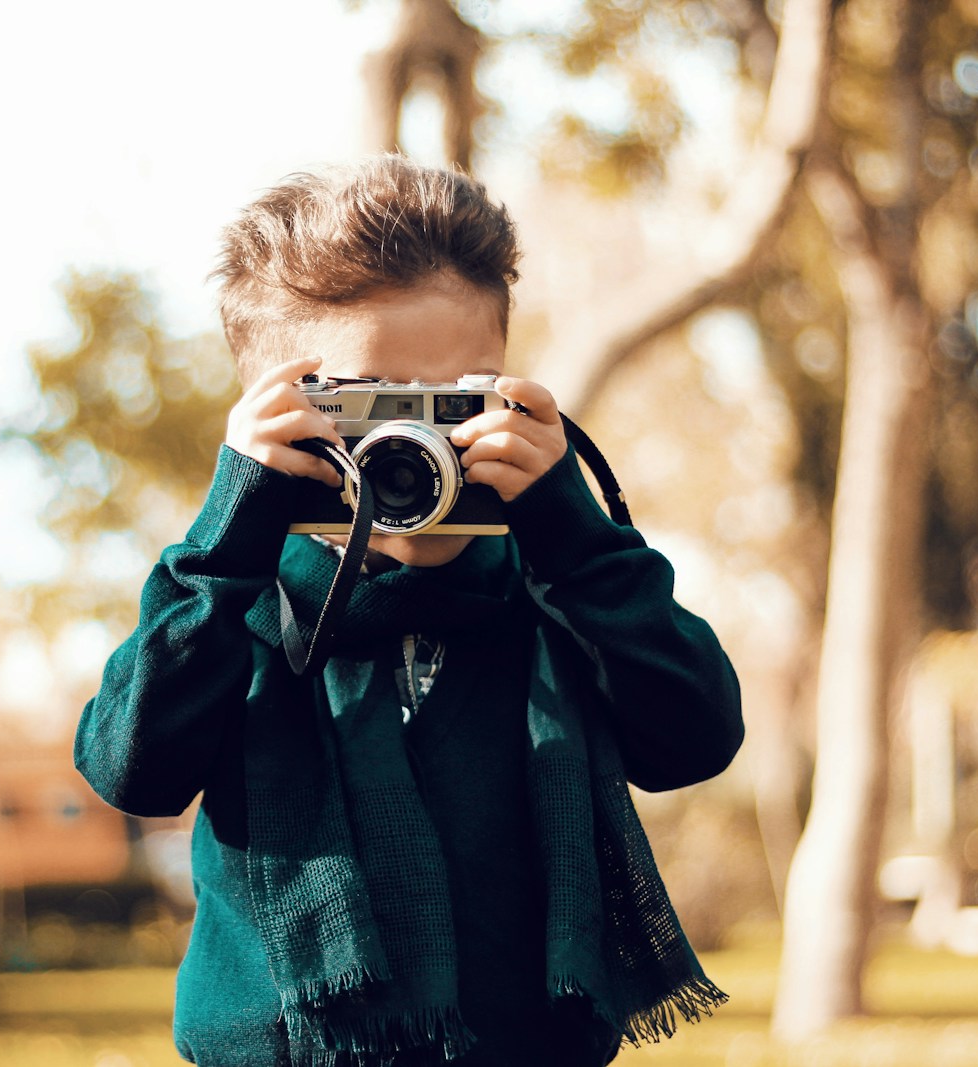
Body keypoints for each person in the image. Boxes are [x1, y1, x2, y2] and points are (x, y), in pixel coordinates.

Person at [75, 155, 744, 1067]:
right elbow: (131, 769)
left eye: (456, 399)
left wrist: (574, 531)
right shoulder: (232, 603)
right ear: (274, 416)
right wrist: (232, 529)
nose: (418, 439)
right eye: (372, 404)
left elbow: (696, 737)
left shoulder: (559, 590)